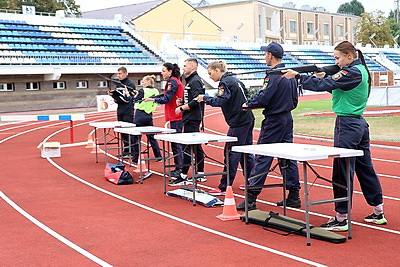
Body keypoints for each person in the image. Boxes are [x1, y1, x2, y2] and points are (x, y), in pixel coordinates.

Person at [283, 41, 387, 231]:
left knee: (342, 170)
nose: (336, 62)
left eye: (338, 58)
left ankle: (341, 218)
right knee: (365, 169)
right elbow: (336, 87)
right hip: (358, 124)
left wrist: (299, 77)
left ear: (349, 55)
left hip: (347, 124)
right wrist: (322, 76)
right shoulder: (360, 70)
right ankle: (378, 210)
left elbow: (328, 83)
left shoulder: (352, 72)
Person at [236, 42, 301, 211]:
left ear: (270, 55)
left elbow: (264, 97)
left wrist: (247, 104)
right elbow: (295, 99)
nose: (264, 57)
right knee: (287, 156)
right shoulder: (290, 74)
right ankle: (294, 194)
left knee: (263, 156)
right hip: (287, 118)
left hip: (273, 120)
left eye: (265, 54)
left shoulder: (273, 75)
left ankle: (251, 197)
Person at [197, 60, 255, 195]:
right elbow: (245, 94)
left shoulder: (225, 82)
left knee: (231, 153)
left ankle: (224, 186)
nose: (209, 77)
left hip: (238, 121)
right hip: (247, 118)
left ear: (217, 70)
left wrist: (205, 98)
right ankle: (252, 181)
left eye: (210, 73)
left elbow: (221, 101)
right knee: (245, 151)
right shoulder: (235, 80)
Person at [143, 63, 184, 175]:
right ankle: (178, 167)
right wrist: (152, 98)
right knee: (175, 143)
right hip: (175, 115)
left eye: (164, 70)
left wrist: (153, 100)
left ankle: (179, 169)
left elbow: (167, 98)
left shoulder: (172, 81)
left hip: (176, 115)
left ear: (170, 71)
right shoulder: (174, 81)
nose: (162, 73)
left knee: (176, 143)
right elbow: (165, 95)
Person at [170, 58, 206, 186]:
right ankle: (200, 173)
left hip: (192, 118)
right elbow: (191, 99)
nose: (183, 68)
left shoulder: (195, 81)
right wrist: (183, 103)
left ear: (192, 67)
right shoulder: (191, 80)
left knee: (187, 147)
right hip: (190, 117)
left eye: (185, 66)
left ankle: (183, 175)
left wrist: (182, 108)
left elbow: (197, 100)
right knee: (196, 146)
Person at [123, 75, 162, 163]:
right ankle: (158, 156)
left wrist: (127, 93)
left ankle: (136, 158)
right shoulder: (156, 91)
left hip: (140, 115)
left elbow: (132, 100)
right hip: (149, 115)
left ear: (148, 82)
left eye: (143, 82)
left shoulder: (142, 90)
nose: (142, 83)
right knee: (151, 137)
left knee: (135, 136)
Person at [108, 66, 136, 158]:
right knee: (122, 131)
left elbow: (129, 98)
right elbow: (120, 97)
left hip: (128, 110)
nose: (118, 75)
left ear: (125, 73)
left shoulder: (130, 84)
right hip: (120, 109)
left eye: (120, 74)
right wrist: (113, 96)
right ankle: (126, 150)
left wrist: (122, 96)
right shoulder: (118, 84)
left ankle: (131, 151)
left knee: (128, 131)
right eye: (118, 74)